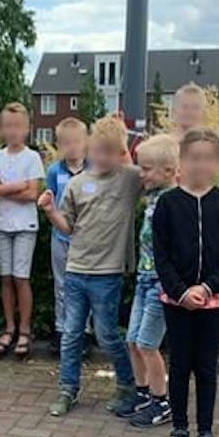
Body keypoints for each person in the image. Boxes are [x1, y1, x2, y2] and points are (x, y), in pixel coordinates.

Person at [38, 116, 144, 418]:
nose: (103, 157)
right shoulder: (76, 183)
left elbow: (156, 168)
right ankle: (67, 389)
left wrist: (125, 145)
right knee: (71, 333)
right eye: (98, 150)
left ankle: (127, 385)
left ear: (120, 152)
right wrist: (51, 212)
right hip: (75, 270)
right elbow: (68, 227)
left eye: (111, 152)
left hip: (107, 275)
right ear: (89, 147)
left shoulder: (129, 178)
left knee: (107, 334)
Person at [153, 127, 219, 437]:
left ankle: (205, 432)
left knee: (206, 368)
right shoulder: (167, 204)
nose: (200, 165)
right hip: (176, 301)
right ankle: (179, 430)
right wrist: (181, 291)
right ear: (181, 161)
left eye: (207, 158)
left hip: (213, 301)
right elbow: (160, 255)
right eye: (193, 158)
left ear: (218, 163)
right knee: (179, 366)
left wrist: (207, 288)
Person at [124, 134, 179, 428]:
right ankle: (143, 392)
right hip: (144, 278)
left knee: (147, 344)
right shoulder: (154, 196)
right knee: (133, 340)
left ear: (168, 171)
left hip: (160, 283)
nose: (140, 174)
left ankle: (162, 402)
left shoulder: (175, 202)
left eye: (146, 168)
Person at [0, 102, 44, 359]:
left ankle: (25, 330)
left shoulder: (32, 158)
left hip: (25, 226)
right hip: (3, 225)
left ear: (27, 129)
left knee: (21, 278)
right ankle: (9, 328)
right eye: (8, 126)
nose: (13, 131)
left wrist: (3, 189)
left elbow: (32, 194)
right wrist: (16, 186)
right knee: (6, 277)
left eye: (18, 126)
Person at [44, 118, 89, 354]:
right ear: (59, 145)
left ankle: (85, 332)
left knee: (86, 285)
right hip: (61, 237)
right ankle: (61, 329)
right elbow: (50, 200)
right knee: (62, 284)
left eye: (77, 142)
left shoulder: (94, 169)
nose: (72, 147)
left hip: (86, 240)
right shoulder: (54, 171)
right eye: (67, 143)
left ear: (85, 142)